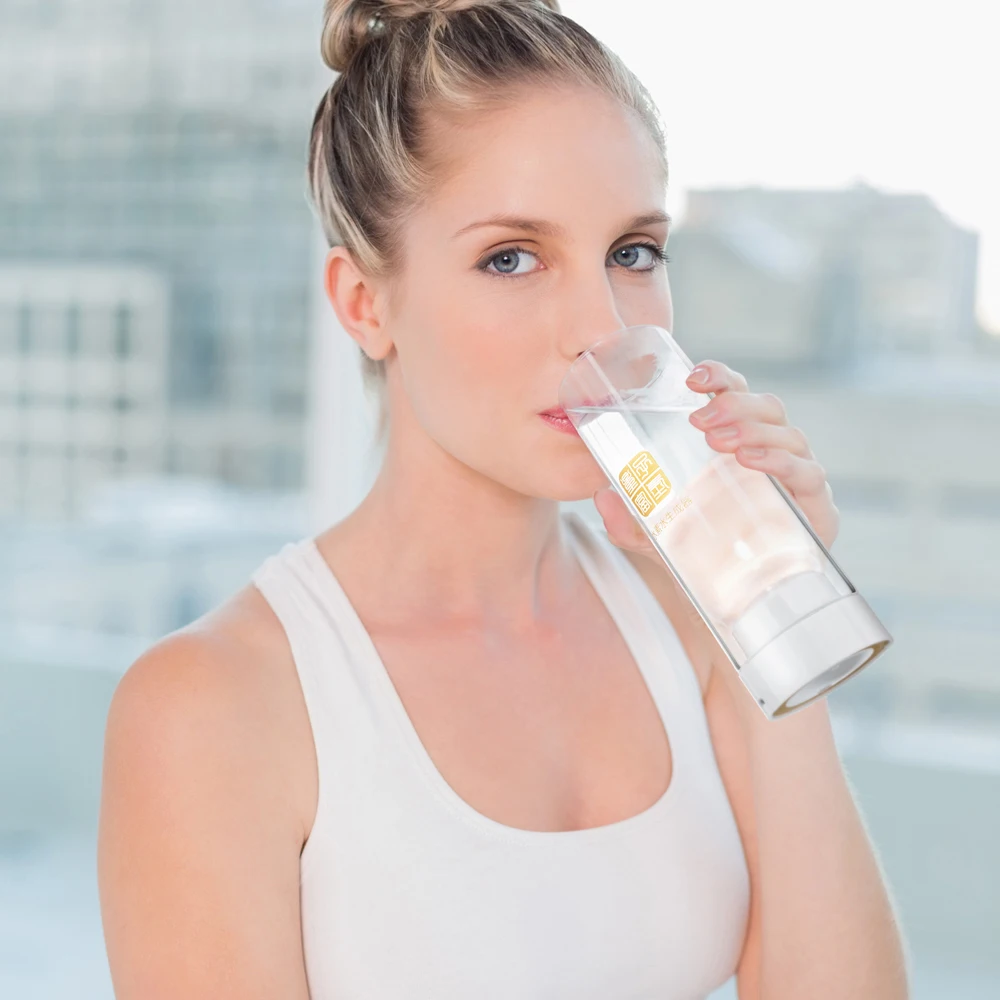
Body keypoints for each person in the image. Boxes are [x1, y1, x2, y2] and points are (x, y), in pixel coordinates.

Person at [97, 1, 910, 997]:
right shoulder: (215, 704)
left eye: (632, 252)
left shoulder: (687, 619)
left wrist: (765, 597)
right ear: (364, 303)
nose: (598, 326)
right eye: (511, 258)